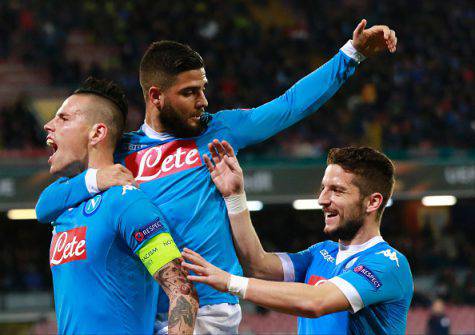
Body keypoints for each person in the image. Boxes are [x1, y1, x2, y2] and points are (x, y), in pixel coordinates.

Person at [36, 19, 397, 333]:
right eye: (190, 92)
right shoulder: (121, 151)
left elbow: (289, 106)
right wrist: (95, 181)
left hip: (208, 308)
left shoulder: (218, 131)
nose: (203, 101)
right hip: (148, 309)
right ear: (156, 96)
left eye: (203, 88)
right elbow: (48, 203)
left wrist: (351, 54)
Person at [181, 140, 413, 334]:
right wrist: (234, 196)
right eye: (323, 188)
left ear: (373, 202)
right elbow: (258, 266)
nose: (322, 199)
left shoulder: (388, 263)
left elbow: (315, 301)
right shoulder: (321, 253)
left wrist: (229, 282)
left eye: (337, 190)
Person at [43, 77, 198, 334]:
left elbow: (183, 293)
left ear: (97, 133)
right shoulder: (65, 206)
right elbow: (42, 207)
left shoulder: (127, 202)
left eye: (64, 118)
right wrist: (95, 179)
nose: (49, 125)